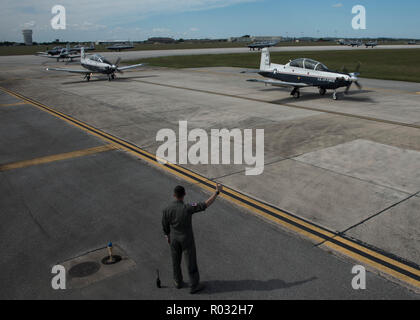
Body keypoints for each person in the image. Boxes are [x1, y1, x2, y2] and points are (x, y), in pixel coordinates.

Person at [162, 183, 223, 294]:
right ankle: (194, 285)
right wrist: (216, 193)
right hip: (187, 239)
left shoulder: (167, 209)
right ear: (184, 194)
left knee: (175, 261)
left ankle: (177, 282)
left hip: (174, 239)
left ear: (174, 195)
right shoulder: (187, 207)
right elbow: (205, 204)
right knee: (191, 262)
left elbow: (165, 226)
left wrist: (167, 236)